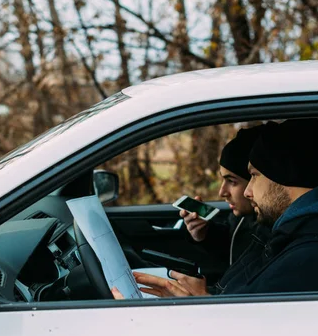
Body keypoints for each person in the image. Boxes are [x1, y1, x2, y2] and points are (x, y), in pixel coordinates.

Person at [117, 118, 318, 298]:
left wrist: (201, 304)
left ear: (284, 175)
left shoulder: (313, 255)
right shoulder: (290, 231)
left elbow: (247, 334)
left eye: (255, 176)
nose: (248, 191)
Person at [113, 125, 271, 298]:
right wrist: (205, 234)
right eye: (222, 179)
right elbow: (234, 247)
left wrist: (204, 299)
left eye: (232, 181)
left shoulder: (272, 232)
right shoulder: (244, 217)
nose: (222, 192)